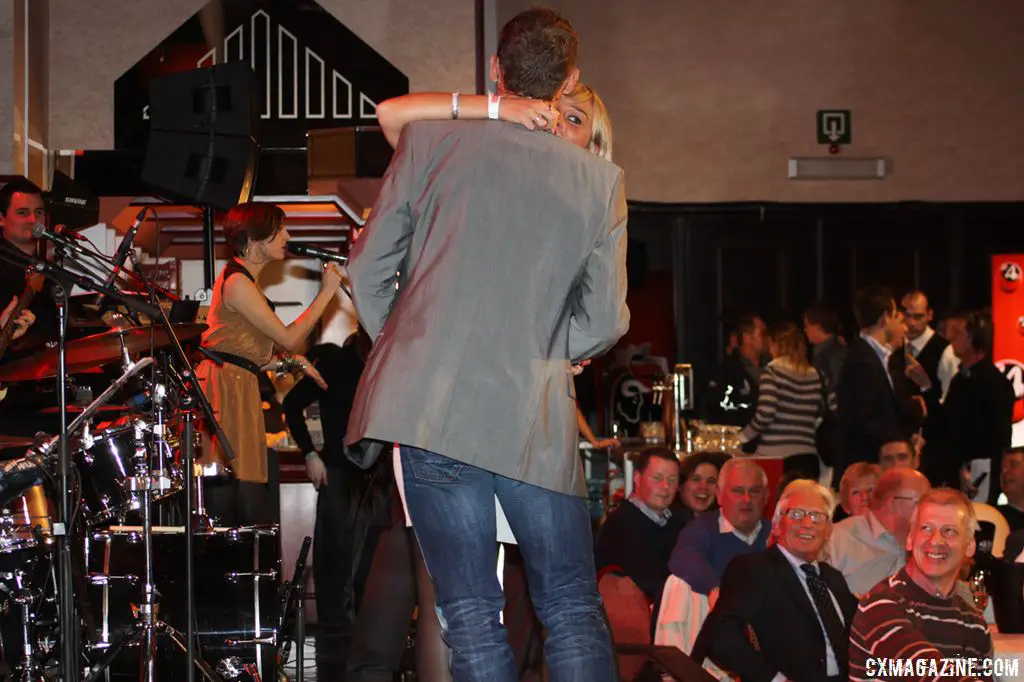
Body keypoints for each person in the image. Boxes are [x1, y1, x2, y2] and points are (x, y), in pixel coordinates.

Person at [344, 7, 627, 682]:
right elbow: (606, 321)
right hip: (533, 410)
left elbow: (364, 272)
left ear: (496, 71)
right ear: (570, 82)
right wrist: (553, 345)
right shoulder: (598, 181)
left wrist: (412, 341)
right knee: (571, 606)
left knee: (469, 613)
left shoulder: (428, 145)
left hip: (433, 408)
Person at [196, 202, 341, 526]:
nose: (287, 236)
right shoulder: (238, 284)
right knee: (236, 495)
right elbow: (288, 338)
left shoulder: (244, 281)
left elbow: (249, 358)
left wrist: (295, 363)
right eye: (279, 231)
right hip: (225, 390)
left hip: (236, 385)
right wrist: (326, 292)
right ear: (257, 240)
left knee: (244, 494)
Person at [699, 480, 858, 682]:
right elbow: (719, 637)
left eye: (817, 517)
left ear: (828, 531)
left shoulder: (833, 578)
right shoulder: (755, 570)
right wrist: (775, 680)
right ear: (776, 525)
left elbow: (865, 639)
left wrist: (905, 670)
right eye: (796, 514)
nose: (807, 523)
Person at [848, 488, 993, 681]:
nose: (936, 540)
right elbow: (928, 674)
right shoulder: (881, 604)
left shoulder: (973, 622)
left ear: (969, 546)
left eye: (949, 531)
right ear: (910, 539)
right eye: (926, 529)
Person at [738, 320, 835, 480]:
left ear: (776, 344)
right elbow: (829, 408)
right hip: (807, 457)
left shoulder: (773, 372)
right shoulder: (817, 374)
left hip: (775, 457)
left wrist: (742, 437)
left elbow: (766, 413)